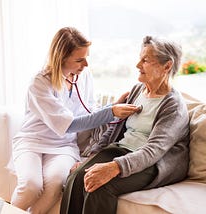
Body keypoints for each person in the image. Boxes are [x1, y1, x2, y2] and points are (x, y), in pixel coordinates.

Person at [10, 27, 139, 214]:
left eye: (86, 57)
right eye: (79, 60)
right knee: (31, 185)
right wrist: (111, 112)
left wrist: (112, 107)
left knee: (55, 184)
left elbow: (89, 110)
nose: (85, 64)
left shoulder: (84, 76)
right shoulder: (40, 83)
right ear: (61, 58)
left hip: (63, 146)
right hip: (32, 142)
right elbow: (70, 124)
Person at [60, 35, 190, 214]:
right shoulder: (138, 90)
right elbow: (115, 128)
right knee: (76, 176)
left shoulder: (173, 106)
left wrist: (114, 167)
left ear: (167, 66)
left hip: (154, 163)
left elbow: (154, 151)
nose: (138, 65)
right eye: (140, 58)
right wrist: (91, 156)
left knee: (98, 186)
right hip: (122, 150)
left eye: (145, 60)